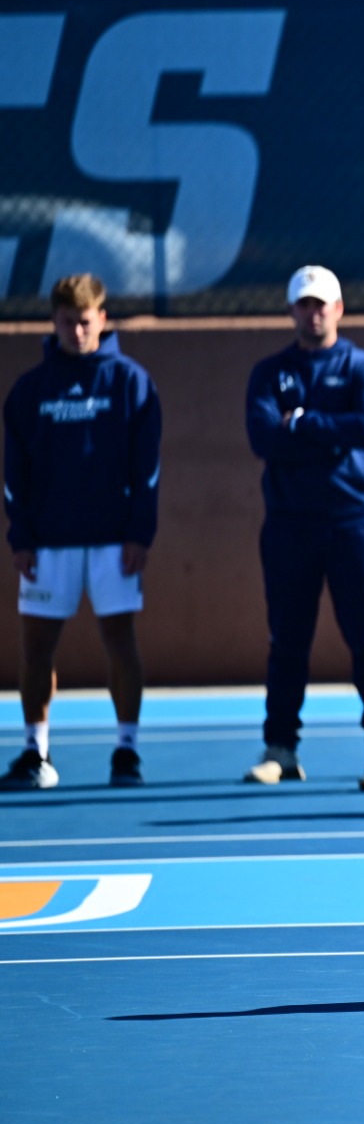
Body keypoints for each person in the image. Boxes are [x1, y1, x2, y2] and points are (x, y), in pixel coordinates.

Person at [0, 273, 161, 790]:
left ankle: (127, 751)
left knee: (120, 638)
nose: (77, 332)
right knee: (36, 646)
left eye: (85, 322)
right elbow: (14, 472)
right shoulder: (30, 390)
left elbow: (148, 469)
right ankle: (36, 752)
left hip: (115, 540)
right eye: (67, 322)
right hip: (48, 543)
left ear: (103, 319)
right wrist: (22, 538)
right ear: (54, 321)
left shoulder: (131, 382)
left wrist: (139, 534)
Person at [242, 265, 364, 786]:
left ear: (339, 309)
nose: (313, 313)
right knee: (287, 641)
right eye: (304, 304)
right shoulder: (270, 372)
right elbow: (264, 438)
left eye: (322, 304)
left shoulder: (363, 367)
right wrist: (328, 433)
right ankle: (280, 748)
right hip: (288, 526)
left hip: (353, 523)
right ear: (292, 310)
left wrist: (303, 422)